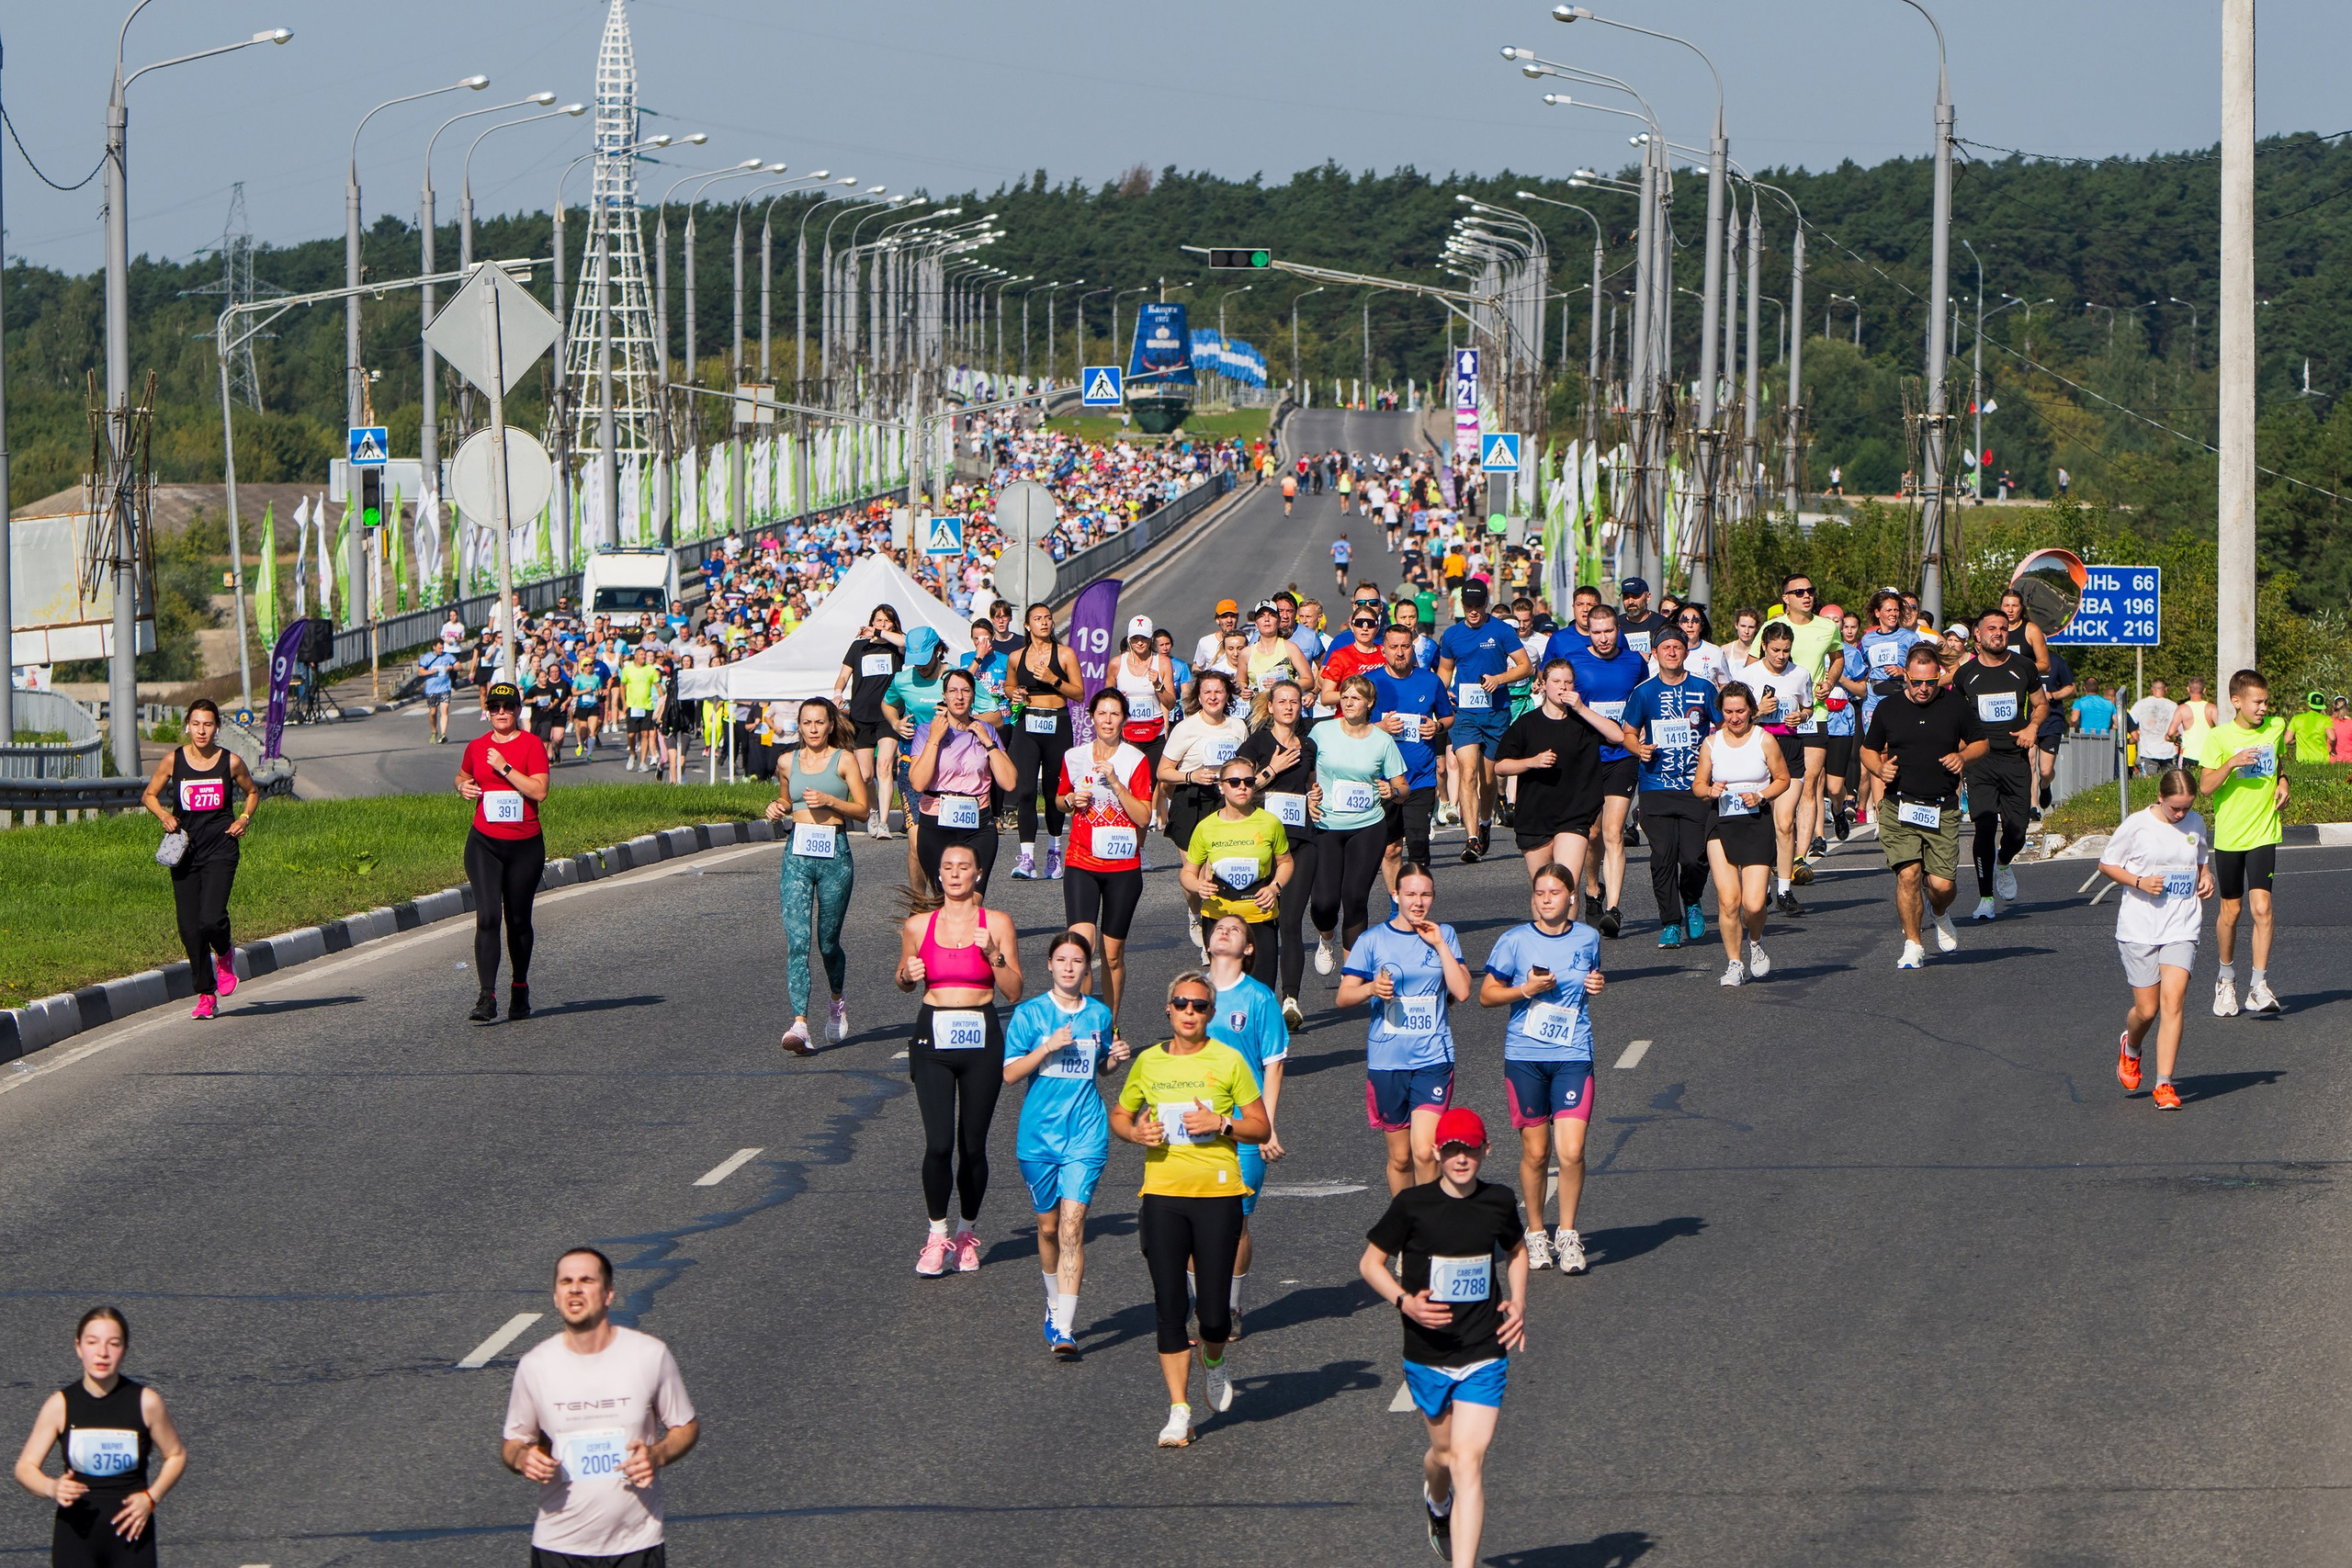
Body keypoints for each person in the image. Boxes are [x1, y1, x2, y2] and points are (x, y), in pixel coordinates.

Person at [1358, 1106, 1530, 1568]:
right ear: (1436, 1151)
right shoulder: (1412, 1206)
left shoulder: (1498, 1201)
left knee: (1468, 1462)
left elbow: (1516, 1250)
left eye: (1469, 1149)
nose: (1460, 1158)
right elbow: (1370, 1264)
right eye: (1451, 1149)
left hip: (1483, 1350)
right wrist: (1405, 1302)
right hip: (1427, 1355)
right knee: (1444, 1454)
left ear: (1485, 1150)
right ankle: (1436, 1503)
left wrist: (1518, 1300)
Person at [1110, 972, 1271, 1448]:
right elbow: (1121, 1113)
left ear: (1211, 1014)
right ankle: (1178, 1409)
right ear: (1168, 1009)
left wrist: (1222, 1123)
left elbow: (1260, 1127)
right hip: (1162, 1195)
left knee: (1215, 1315)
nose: (1189, 1012)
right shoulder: (1149, 1062)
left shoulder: (1229, 1060)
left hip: (1219, 1196)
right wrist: (1134, 1133)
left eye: (1200, 1006)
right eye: (1182, 1004)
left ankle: (1215, 1362)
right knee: (1169, 1306)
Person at [502, 1248, 698, 1565]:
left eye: (586, 1280)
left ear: (608, 1295)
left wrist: (656, 1455)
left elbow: (685, 1426)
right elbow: (513, 1443)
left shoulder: (649, 1355)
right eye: (566, 1281)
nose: (575, 1288)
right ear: (556, 1296)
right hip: (559, 1546)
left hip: (637, 1543)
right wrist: (524, 1458)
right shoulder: (535, 1365)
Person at [899, 842, 1024, 1275]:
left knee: (972, 1146)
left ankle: (967, 1231)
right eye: (947, 867)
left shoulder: (999, 923)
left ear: (978, 874)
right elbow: (904, 978)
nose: (954, 874)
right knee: (938, 1144)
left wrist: (993, 955)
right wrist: (907, 976)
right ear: (939, 875)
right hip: (933, 1037)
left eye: (963, 867)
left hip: (981, 1039)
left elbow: (1013, 991)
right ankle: (937, 1235)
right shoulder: (918, 926)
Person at [1003, 933, 1128, 1355]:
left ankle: (1065, 1329)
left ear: (1087, 969)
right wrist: (1047, 1047)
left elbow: (1102, 1069)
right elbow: (1009, 1074)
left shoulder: (1099, 1013)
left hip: (1086, 1133)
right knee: (1049, 1227)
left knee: (1074, 1226)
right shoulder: (1029, 1014)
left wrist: (1115, 1058)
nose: (1070, 967)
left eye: (1078, 960)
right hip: (1039, 1135)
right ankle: (1053, 1301)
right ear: (1050, 966)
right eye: (1062, 960)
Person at [1479, 866, 1606, 1274]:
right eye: (1540, 892)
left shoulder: (1588, 937)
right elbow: (1486, 995)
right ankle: (1535, 1233)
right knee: (1536, 1153)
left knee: (1571, 1151)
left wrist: (1596, 983)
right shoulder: (1514, 941)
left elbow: (1591, 974)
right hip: (1525, 1057)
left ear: (1571, 896)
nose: (1547, 898)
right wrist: (1525, 990)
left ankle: (1567, 1234)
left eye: (1555, 891)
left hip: (1572, 1054)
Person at [13, 1306, 187, 1568]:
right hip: (76, 1537)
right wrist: (52, 1487)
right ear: (79, 1347)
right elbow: (25, 1468)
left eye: (113, 1344)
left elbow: (175, 1455)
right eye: (92, 1342)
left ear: (125, 1349)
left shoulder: (146, 1402)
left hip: (132, 1536)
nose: (102, 1353)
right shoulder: (61, 1404)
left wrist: (152, 1497)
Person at [1337, 864, 1474, 1193]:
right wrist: (1370, 989)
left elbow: (1463, 991)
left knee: (1425, 1153)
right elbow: (1343, 996)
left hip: (1433, 1060)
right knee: (1400, 1159)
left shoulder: (1447, 935)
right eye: (1410, 894)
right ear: (1395, 895)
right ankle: (1405, 1226)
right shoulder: (1372, 940)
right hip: (1387, 1062)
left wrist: (1440, 945)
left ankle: (1428, 1227)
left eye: (1425, 894)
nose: (1418, 902)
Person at [1860, 644, 1980, 969]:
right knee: (1909, 875)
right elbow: (1868, 750)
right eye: (1917, 682)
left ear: (1938, 676)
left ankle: (1938, 911)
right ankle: (1913, 943)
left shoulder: (1955, 706)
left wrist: (1963, 756)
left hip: (1942, 807)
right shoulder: (1888, 709)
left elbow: (1981, 741)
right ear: (1907, 678)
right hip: (1900, 806)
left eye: (1930, 682)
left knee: (1942, 886)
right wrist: (1878, 769)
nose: (1924, 689)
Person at [140, 698, 259, 1021]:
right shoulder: (173, 761)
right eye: (196, 724)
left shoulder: (229, 762)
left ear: (217, 727)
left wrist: (244, 819)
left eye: (208, 724)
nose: (202, 730)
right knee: (190, 929)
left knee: (211, 918)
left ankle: (224, 953)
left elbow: (252, 792)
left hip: (221, 847)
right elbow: (148, 795)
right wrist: (164, 815)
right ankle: (206, 994)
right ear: (188, 726)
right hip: (185, 852)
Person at [2099, 770, 2213, 1109]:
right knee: (2147, 1011)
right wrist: (2138, 881)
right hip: (2140, 927)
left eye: (2187, 808)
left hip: (2182, 923)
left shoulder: (2196, 824)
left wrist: (2206, 878)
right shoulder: (2137, 825)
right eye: (2175, 808)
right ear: (2160, 798)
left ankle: (2164, 1084)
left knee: (2173, 1002)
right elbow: (2107, 865)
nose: (2181, 815)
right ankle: (2131, 1047)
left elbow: (2201, 862)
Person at [1203, 913, 1290, 1337]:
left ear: (1249, 949)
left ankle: (1231, 1306)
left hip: (1242, 1126)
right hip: (1192, 1125)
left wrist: (1267, 1125)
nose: (1225, 930)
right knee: (1191, 1219)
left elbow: (1273, 1066)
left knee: (1235, 1221)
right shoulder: (1190, 992)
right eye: (1219, 926)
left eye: (1236, 929)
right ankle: (1200, 1304)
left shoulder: (1259, 999)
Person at [767, 698, 869, 1055]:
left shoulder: (844, 759)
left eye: (819, 722)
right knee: (798, 942)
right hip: (796, 854)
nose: (812, 729)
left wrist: (830, 800)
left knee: (827, 942)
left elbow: (863, 808)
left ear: (830, 726)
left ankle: (837, 1000)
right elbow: (784, 802)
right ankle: (800, 1023)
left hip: (835, 854)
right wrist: (776, 810)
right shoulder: (786, 762)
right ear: (799, 725)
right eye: (807, 722)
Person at [1057, 689, 1155, 1028]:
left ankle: (1110, 1025)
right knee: (1082, 948)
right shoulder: (1074, 757)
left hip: (1123, 867)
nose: (1108, 720)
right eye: (1102, 714)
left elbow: (1143, 816)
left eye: (1115, 715)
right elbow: (1058, 800)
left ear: (1124, 720)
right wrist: (1070, 799)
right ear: (1092, 717)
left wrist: (1114, 781)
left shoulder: (1135, 760)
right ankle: (1081, 1024)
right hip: (1081, 861)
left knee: (1112, 955)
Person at [454, 682, 549, 1024]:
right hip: (485, 843)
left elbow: (539, 791)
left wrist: (505, 767)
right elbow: (462, 776)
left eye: (507, 707)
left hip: (525, 845)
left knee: (519, 920)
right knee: (488, 916)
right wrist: (462, 787)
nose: (500, 713)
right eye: (494, 707)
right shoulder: (477, 746)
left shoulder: (531, 745)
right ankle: (487, 996)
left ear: (517, 711)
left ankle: (519, 988)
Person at [2197, 669, 2290, 1018]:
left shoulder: (2276, 727)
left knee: (2262, 909)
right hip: (2231, 836)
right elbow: (2205, 787)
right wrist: (2232, 763)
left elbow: (2278, 761)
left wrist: (2283, 781)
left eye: (2266, 701)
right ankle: (2225, 979)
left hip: (2264, 831)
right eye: (2257, 702)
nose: (2264, 707)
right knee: (2231, 912)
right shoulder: (2219, 737)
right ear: (2237, 702)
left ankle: (2259, 985)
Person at [1624, 629, 1724, 946]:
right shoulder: (1644, 692)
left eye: (1677, 647)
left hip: (1696, 785)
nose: (1671, 652)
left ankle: (1692, 900)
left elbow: (1722, 728)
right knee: (1662, 856)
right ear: (1655, 653)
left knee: (1695, 857)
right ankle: (1670, 922)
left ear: (1685, 653)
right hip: (1655, 785)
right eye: (1665, 647)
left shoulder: (1704, 688)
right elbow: (1628, 732)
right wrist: (1637, 749)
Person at [1495, 659, 1623, 902]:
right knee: (1543, 893)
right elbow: (1500, 766)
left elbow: (1617, 736)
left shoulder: (1583, 721)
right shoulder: (1526, 724)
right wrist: (1531, 762)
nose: (1562, 687)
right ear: (1543, 685)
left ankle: (1570, 939)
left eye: (1568, 682)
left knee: (1567, 888)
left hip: (1574, 815)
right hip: (1534, 815)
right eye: (1555, 682)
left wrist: (1582, 708)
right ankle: (1546, 939)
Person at [1951, 608, 2046, 921]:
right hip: (1980, 762)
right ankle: (1985, 898)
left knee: (2017, 832)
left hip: (2014, 758)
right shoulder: (1966, 675)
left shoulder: (2024, 667)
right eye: (1992, 628)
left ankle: (2004, 862)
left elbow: (2041, 704)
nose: (1999, 633)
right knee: (1985, 826)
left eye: (2004, 628)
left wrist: (2032, 728)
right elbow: (1954, 714)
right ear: (1977, 635)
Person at [1237, 680, 1322, 1022]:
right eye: (1282, 701)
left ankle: (1291, 1001)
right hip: (1262, 845)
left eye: (1294, 702)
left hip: (1302, 840)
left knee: (1290, 921)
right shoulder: (1256, 743)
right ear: (1270, 707)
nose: (1288, 707)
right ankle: (1263, 1000)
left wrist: (1314, 795)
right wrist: (1272, 770)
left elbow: (1312, 783)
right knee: (1264, 925)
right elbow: (1236, 789)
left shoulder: (1310, 745)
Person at [1308, 674, 1412, 954]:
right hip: (1327, 823)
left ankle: (1351, 976)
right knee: (1324, 902)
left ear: (1370, 703)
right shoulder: (1321, 732)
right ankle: (1326, 936)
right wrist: (1309, 796)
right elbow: (1304, 773)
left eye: (1356, 698)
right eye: (1345, 697)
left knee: (1355, 898)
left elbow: (1404, 788)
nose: (1349, 702)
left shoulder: (1383, 741)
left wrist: (1392, 792)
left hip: (1368, 826)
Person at [1694, 683, 1790, 986]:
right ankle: (1734, 963)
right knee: (1729, 900)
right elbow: (1698, 785)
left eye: (1740, 711)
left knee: (1754, 904)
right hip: (1720, 823)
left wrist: (1761, 795)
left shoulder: (1765, 740)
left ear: (1751, 710)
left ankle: (1756, 943)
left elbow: (1783, 779)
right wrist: (1709, 790)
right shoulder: (1711, 743)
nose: (1735, 718)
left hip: (1755, 822)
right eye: (1728, 712)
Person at [1564, 605, 1650, 932]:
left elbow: (1643, 700)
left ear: (1618, 631)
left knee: (1614, 832)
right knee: (1593, 832)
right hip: (1586, 756)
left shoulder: (1634, 662)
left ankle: (1614, 908)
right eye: (1596, 632)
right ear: (1588, 631)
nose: (1603, 638)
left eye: (1609, 631)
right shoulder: (1575, 660)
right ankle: (1592, 888)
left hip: (1622, 756)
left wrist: (1642, 733)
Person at [1178, 757, 1294, 990]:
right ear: (1221, 786)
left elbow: (1286, 862)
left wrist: (1275, 887)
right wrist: (1198, 886)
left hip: (1260, 916)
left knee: (1261, 991)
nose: (1242, 787)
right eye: (1234, 781)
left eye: (1249, 782)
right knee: (1223, 991)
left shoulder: (1270, 822)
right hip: (1219, 918)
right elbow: (1188, 872)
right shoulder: (1206, 827)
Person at [1159, 672, 1253, 958]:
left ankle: (1210, 940)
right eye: (1207, 692)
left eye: (1219, 692)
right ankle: (1194, 911)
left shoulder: (1238, 727)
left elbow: (1245, 765)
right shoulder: (1185, 729)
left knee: (1213, 870)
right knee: (1193, 871)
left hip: (1223, 801)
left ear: (1228, 696)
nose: (1213, 697)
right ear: (1198, 696)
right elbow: (1163, 771)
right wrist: (1191, 775)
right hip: (1191, 800)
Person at [1436, 581, 1532, 862]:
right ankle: (1472, 838)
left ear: (1486, 603)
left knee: (1490, 779)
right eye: (1469, 605)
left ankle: (1486, 823)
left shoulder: (1502, 631)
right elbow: (1444, 671)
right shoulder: (1452, 635)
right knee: (1468, 773)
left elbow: (1525, 666)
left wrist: (1499, 679)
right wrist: (1443, 696)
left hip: (1497, 713)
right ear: (1461, 604)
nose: (1474, 610)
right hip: (1465, 714)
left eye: (1479, 605)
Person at [907, 670, 1018, 897]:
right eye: (953, 691)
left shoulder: (985, 729)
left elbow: (1009, 783)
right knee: (944, 899)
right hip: (937, 820)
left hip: (978, 822)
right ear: (944, 696)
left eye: (965, 691)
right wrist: (934, 739)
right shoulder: (926, 730)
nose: (959, 697)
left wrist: (988, 743)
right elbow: (918, 783)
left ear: (973, 696)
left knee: (973, 900)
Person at [1368, 623, 1453, 901]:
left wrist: (1437, 727)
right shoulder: (1372, 684)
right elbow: (1354, 725)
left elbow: (1448, 716)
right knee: (1391, 849)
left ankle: (1416, 904)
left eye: (1405, 646)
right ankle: (1396, 906)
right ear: (1384, 651)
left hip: (1421, 777)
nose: (1400, 653)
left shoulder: (1430, 681)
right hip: (1385, 780)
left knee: (1417, 846)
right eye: (1394, 647)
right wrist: (1380, 726)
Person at [1007, 604, 1085, 880]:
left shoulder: (1065, 654)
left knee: (1055, 792)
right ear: (1027, 625)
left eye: (1048, 618)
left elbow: (1078, 693)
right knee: (1025, 790)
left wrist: (1054, 680)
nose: (1044, 622)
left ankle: (1054, 852)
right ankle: (1027, 857)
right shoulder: (1016, 656)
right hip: (1027, 724)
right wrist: (1014, 693)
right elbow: (1009, 685)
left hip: (1057, 722)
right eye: (1037, 619)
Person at [836, 606, 907, 837]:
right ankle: (873, 810)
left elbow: (907, 642)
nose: (882, 624)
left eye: (887, 621)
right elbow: (844, 675)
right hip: (861, 715)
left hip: (889, 715)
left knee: (884, 767)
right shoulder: (859, 646)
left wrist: (880, 632)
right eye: (878, 620)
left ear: (893, 624)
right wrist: (838, 692)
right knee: (866, 775)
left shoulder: (897, 647)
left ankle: (884, 823)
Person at [618, 646, 663, 773]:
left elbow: (658, 687)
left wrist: (662, 704)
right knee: (631, 734)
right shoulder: (628, 670)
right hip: (633, 706)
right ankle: (632, 754)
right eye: (642, 655)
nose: (644, 657)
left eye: (645, 655)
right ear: (636, 656)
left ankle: (643, 762)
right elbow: (622, 686)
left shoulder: (650, 670)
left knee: (645, 734)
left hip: (647, 706)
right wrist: (624, 703)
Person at [418, 640, 459, 743]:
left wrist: (452, 667)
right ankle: (434, 731)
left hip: (445, 688)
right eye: (439, 648)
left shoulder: (448, 656)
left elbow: (460, 666)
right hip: (431, 689)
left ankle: (443, 734)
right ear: (434, 647)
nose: (441, 650)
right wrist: (430, 672)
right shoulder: (427, 657)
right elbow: (420, 671)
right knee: (433, 712)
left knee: (444, 710)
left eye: (442, 648)